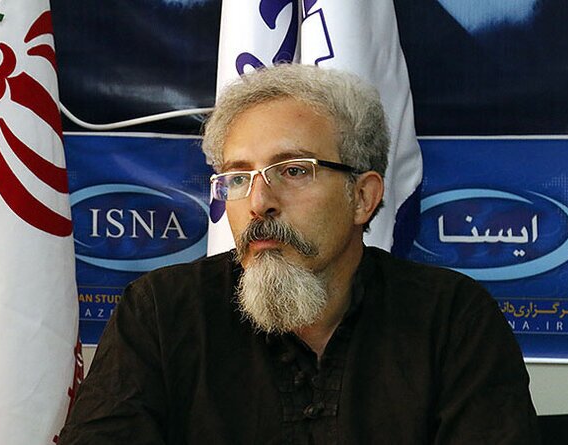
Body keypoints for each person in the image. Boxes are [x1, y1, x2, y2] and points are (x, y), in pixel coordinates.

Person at [58, 64, 540, 444]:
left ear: (362, 197)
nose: (258, 202)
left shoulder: (452, 318)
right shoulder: (161, 312)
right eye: (239, 176)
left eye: (293, 171)